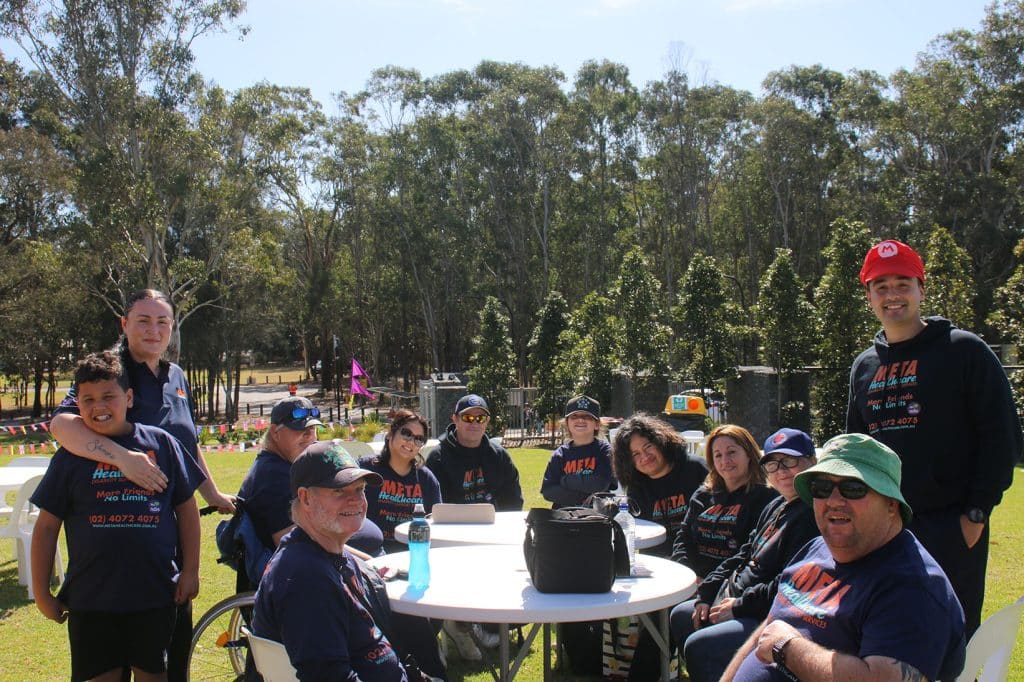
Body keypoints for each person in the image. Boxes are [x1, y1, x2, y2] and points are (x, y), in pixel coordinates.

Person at [49, 289, 234, 682]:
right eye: (143, 320)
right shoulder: (110, 374)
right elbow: (62, 426)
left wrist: (212, 494)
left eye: (162, 321)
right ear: (125, 324)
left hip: (172, 532)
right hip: (116, 534)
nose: (154, 329)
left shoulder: (176, 375)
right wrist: (123, 459)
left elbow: (186, 445)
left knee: (168, 651)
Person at [847, 239, 1022, 637]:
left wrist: (975, 514)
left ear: (921, 289)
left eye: (902, 283)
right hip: (881, 527)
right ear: (870, 296)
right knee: (885, 633)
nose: (892, 295)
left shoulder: (963, 350)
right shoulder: (864, 366)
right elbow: (855, 449)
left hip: (950, 526)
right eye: (881, 286)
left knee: (950, 641)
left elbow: (1001, 436)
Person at [723, 433, 966, 682]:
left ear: (891, 504)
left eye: (853, 488)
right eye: (822, 488)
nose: (834, 501)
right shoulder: (817, 548)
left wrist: (787, 648)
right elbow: (771, 625)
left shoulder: (912, 588)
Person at [30, 351, 201, 682]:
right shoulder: (69, 458)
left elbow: (187, 510)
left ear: (129, 397)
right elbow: (46, 528)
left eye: (109, 396)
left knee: (155, 674)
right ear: (76, 405)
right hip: (92, 601)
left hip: (154, 595)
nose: (99, 406)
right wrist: (41, 593)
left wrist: (191, 571)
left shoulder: (161, 445)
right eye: (88, 399)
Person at [250, 442, 410, 681]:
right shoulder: (305, 578)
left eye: (360, 489)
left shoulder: (330, 553)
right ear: (305, 498)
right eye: (339, 491)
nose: (355, 500)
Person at [671, 428, 820, 682]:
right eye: (773, 464)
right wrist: (707, 591)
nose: (782, 471)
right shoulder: (777, 505)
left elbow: (791, 585)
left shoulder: (811, 515)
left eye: (791, 461)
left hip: (767, 613)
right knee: (682, 615)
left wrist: (738, 606)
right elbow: (743, 554)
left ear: (812, 462)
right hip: (735, 593)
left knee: (700, 645)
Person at [425, 393, 523, 660]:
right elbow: (434, 505)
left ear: (487, 421)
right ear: (455, 419)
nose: (474, 422)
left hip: (493, 536)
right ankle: (461, 624)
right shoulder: (438, 458)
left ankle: (484, 623)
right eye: (467, 417)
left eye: (480, 417)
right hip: (451, 539)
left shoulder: (498, 456)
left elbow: (513, 500)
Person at [237, 397, 383, 573]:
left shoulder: (285, 465)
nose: (309, 436)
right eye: (299, 429)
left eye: (312, 428)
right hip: (326, 571)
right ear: (275, 432)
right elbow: (298, 541)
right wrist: (369, 564)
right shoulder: (273, 476)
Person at [670, 424, 778, 579]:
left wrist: (711, 585)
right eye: (718, 455)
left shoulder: (767, 498)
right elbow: (683, 539)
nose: (725, 461)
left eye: (732, 452)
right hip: (693, 580)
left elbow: (754, 554)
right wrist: (688, 576)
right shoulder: (702, 495)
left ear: (749, 454)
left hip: (733, 585)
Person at [610, 413, 708, 557]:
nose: (644, 456)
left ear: (661, 442)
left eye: (648, 446)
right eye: (635, 454)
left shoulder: (696, 468)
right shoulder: (637, 486)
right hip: (657, 561)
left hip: (697, 557)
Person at [358, 410, 442, 553]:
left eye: (419, 439)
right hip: (370, 551)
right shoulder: (364, 469)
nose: (411, 442)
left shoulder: (427, 480)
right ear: (391, 433)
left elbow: (436, 522)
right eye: (406, 433)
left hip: (412, 551)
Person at [540, 395, 616, 508]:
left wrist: (565, 480)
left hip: (597, 516)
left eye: (587, 416)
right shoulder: (560, 455)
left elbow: (600, 483)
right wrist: (584, 497)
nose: (580, 419)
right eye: (574, 416)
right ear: (567, 423)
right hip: (564, 516)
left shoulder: (604, 451)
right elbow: (548, 491)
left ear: (597, 424)